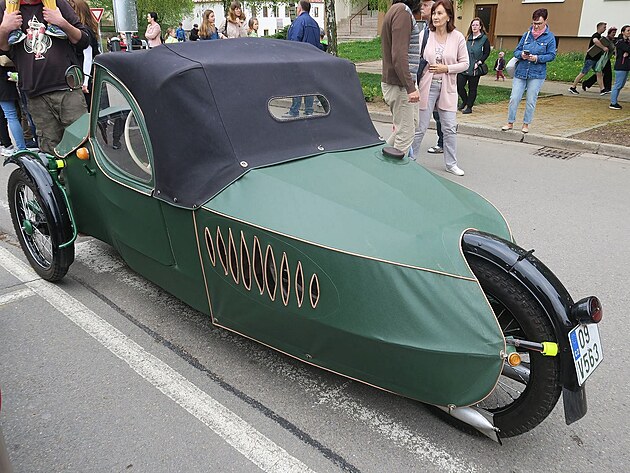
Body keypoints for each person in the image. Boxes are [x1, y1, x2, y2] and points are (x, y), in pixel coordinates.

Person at [0, 0, 89, 156]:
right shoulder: (6, 6)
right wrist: (4, 28)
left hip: (67, 89)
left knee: (82, 145)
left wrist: (62, 22)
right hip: (35, 93)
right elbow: (3, 48)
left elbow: (84, 40)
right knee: (50, 151)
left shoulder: (57, 3)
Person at [410, 0, 468, 176]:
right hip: (426, 86)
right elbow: (415, 59)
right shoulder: (425, 35)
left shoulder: (457, 37)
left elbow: (465, 63)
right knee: (420, 127)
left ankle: (451, 164)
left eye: (440, 13)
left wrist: (447, 68)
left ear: (448, 16)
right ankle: (409, 160)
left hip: (447, 87)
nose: (435, 17)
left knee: (449, 127)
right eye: (434, 13)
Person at [501, 8, 556, 134]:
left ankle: (526, 124)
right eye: (534, 23)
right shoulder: (526, 35)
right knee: (514, 98)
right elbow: (516, 51)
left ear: (545, 21)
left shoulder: (550, 37)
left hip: (537, 74)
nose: (536, 26)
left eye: (539, 23)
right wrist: (521, 55)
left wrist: (537, 58)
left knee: (531, 100)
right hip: (521, 71)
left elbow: (552, 55)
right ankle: (510, 122)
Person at [380, 0, 421, 155]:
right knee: (405, 133)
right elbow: (398, 55)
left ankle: (380, 158)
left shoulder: (398, 10)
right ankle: (391, 169)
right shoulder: (402, 12)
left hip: (401, 83)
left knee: (410, 125)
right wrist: (410, 87)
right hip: (400, 85)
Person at [285, 0, 323, 117]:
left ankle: (294, 111)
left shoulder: (298, 22)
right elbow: (318, 43)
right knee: (309, 85)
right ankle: (309, 110)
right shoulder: (314, 23)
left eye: (297, 7)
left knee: (297, 84)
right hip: (312, 59)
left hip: (299, 59)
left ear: (300, 8)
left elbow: (294, 41)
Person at [68, 0, 99, 110]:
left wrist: (85, 81)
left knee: (88, 108)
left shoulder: (85, 32)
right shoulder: (88, 30)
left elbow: (88, 57)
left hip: (86, 76)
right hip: (88, 75)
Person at [457, 17, 489, 114]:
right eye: (473, 25)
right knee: (459, 85)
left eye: (476, 25)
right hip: (464, 65)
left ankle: (469, 107)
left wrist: (479, 62)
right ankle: (465, 101)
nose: (474, 27)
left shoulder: (484, 39)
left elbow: (486, 52)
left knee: (472, 88)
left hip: (475, 67)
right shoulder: (467, 38)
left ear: (480, 27)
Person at [569, 22, 608, 95]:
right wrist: (603, 47)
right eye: (604, 27)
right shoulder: (595, 35)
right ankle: (572, 87)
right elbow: (595, 41)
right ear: (599, 27)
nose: (605, 29)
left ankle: (602, 89)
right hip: (590, 59)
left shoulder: (599, 36)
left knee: (599, 73)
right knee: (583, 73)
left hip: (595, 59)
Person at [0, 59, 25, 155]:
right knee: (13, 116)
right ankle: (22, 146)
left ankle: (16, 146)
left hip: (4, 85)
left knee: (9, 116)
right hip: (8, 83)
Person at [582, 26, 617, 93]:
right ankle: (606, 88)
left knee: (601, 73)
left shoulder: (613, 40)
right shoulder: (605, 39)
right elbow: (599, 46)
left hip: (606, 58)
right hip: (602, 58)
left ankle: (587, 83)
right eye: (613, 32)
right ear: (609, 33)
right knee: (603, 73)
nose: (614, 34)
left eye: (615, 32)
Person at [609, 24, 630, 110]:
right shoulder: (620, 42)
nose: (629, 32)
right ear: (623, 32)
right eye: (628, 30)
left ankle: (614, 101)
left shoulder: (627, 41)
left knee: (621, 85)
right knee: (618, 85)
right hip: (621, 66)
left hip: (626, 66)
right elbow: (627, 48)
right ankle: (613, 103)